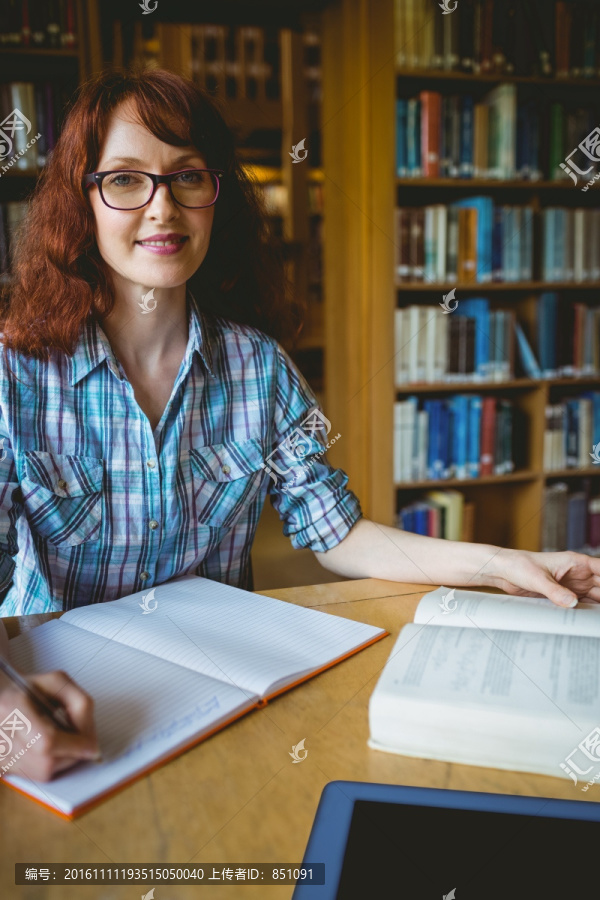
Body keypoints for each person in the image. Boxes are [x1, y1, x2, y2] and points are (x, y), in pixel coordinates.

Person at [1, 68, 599, 781]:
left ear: (216, 195)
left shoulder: (259, 369)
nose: (162, 209)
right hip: (64, 714)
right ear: (84, 200)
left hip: (222, 709)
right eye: (127, 180)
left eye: (187, 177)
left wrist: (501, 565)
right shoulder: (16, 377)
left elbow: (337, 534)